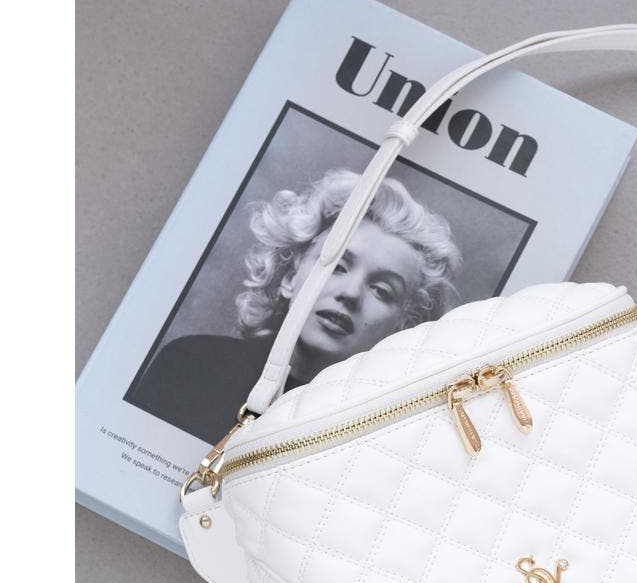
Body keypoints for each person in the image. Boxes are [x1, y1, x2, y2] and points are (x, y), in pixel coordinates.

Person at [127, 169, 463, 443]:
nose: (351, 293)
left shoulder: (372, 439)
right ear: (290, 275)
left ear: (400, 328)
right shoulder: (190, 363)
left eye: (382, 290)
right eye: (337, 266)